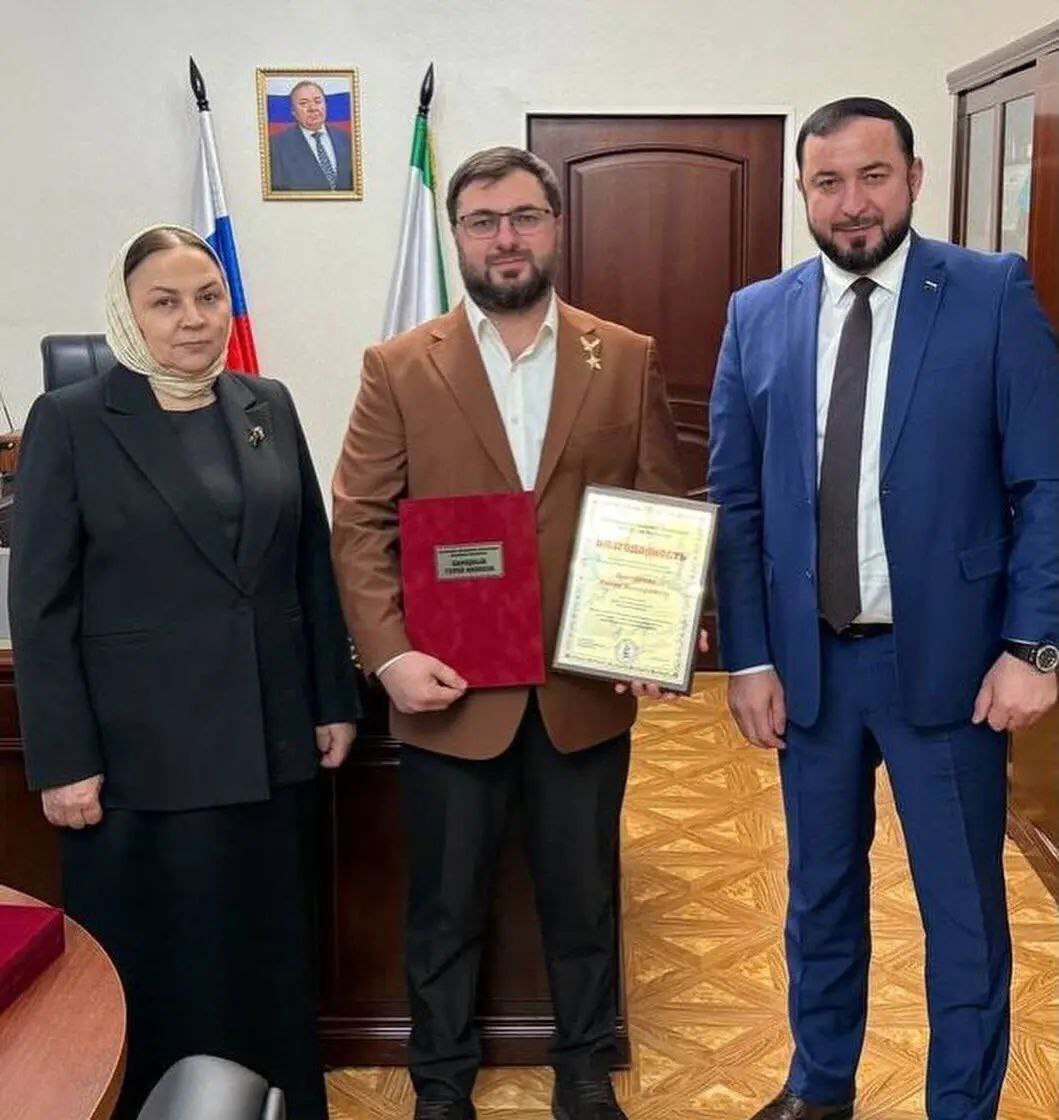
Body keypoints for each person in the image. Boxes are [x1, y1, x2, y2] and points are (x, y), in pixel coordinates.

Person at [332, 146, 704, 1120]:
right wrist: (389, 654)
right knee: (444, 906)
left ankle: (583, 1069)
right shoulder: (398, 366)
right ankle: (440, 1082)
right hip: (449, 690)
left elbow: (658, 507)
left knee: (583, 900)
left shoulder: (623, 356)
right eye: (483, 221)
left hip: (584, 690)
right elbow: (360, 520)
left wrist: (657, 632)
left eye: (524, 217)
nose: (506, 238)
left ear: (555, 225)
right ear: (457, 236)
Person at [708, 97, 1059, 1120]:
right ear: (802, 192)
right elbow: (735, 501)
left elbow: (1046, 482)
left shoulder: (990, 293)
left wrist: (1033, 645)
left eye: (872, 176)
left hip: (950, 668)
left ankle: (961, 1104)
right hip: (809, 669)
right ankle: (819, 1087)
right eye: (828, 182)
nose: (851, 203)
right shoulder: (756, 313)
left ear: (913, 176)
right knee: (818, 896)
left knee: (961, 912)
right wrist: (748, 657)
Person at [9, 224, 361, 1119]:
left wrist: (331, 697)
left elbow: (307, 563)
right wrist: (62, 759)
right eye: (165, 303)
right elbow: (41, 606)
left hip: (268, 746)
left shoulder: (266, 403)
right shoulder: (73, 420)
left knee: (267, 956)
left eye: (208, 298)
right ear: (126, 315)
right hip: (141, 766)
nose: (193, 319)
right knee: (167, 967)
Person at [269, 79, 355, 192]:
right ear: (293, 111)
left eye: (318, 101)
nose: (313, 108)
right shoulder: (276, 146)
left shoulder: (347, 140)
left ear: (325, 105)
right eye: (303, 103)